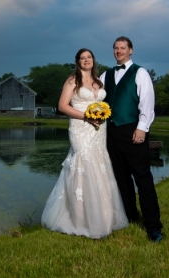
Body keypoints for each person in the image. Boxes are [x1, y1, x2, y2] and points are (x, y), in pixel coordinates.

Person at [41, 48, 128, 238]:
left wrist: (101, 115)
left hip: (99, 130)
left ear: (93, 60)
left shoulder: (98, 81)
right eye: (82, 58)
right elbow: (63, 106)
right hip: (80, 127)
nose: (86, 60)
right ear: (78, 61)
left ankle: (103, 217)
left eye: (89, 57)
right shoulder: (73, 80)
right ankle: (80, 220)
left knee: (99, 164)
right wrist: (87, 117)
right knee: (83, 163)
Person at [100, 36, 163, 243]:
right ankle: (130, 215)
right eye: (116, 48)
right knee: (121, 179)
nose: (119, 51)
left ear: (130, 51)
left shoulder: (140, 72)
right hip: (112, 132)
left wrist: (142, 128)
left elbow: (147, 103)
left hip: (133, 130)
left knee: (143, 178)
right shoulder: (106, 75)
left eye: (123, 48)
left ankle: (153, 226)